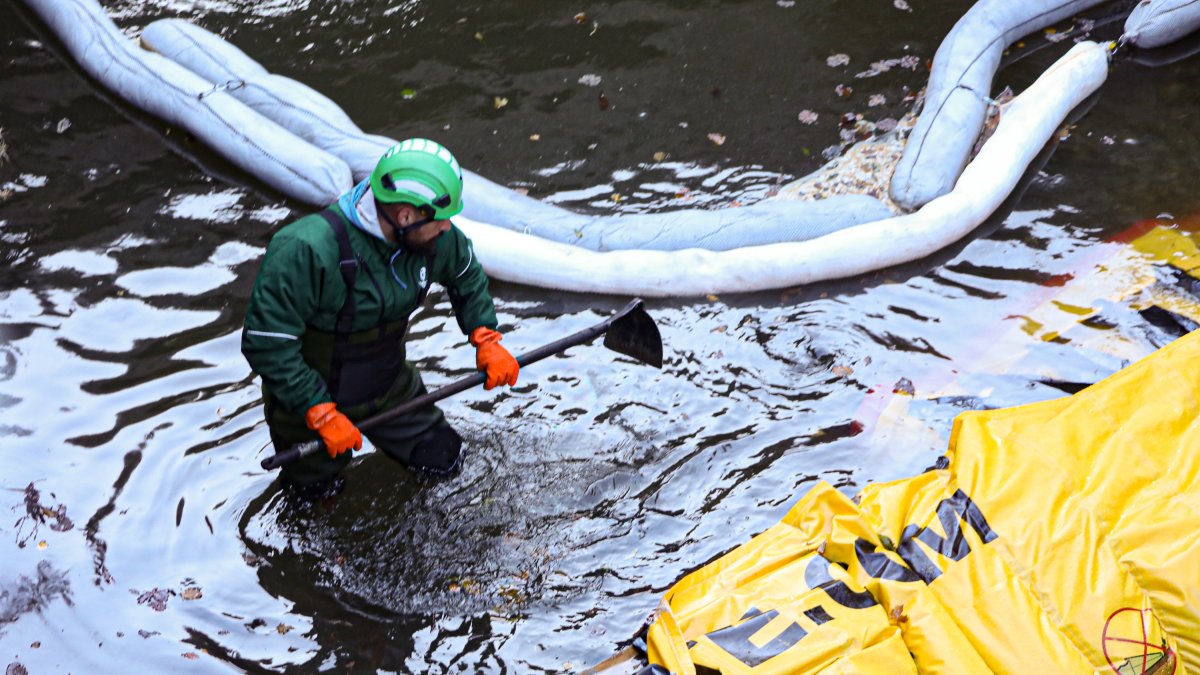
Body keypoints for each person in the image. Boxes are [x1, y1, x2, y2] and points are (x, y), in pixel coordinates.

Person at [241, 139, 519, 494]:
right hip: (307, 404)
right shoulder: (306, 250)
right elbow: (267, 344)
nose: (448, 227)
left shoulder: (434, 238)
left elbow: (466, 274)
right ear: (405, 216)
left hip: (389, 387)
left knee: (446, 462)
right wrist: (320, 411)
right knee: (313, 502)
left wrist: (485, 336)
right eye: (440, 219)